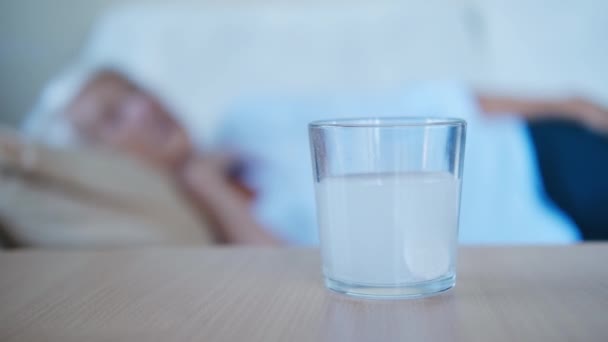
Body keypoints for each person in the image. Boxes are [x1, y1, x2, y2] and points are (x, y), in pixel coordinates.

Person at [23, 69, 608, 246]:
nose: (144, 108)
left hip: (528, 152)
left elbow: (420, 101)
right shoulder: (196, 230)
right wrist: (207, 187)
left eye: (134, 92)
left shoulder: (249, 115)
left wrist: (568, 102)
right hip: (543, 231)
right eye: (111, 116)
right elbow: (290, 273)